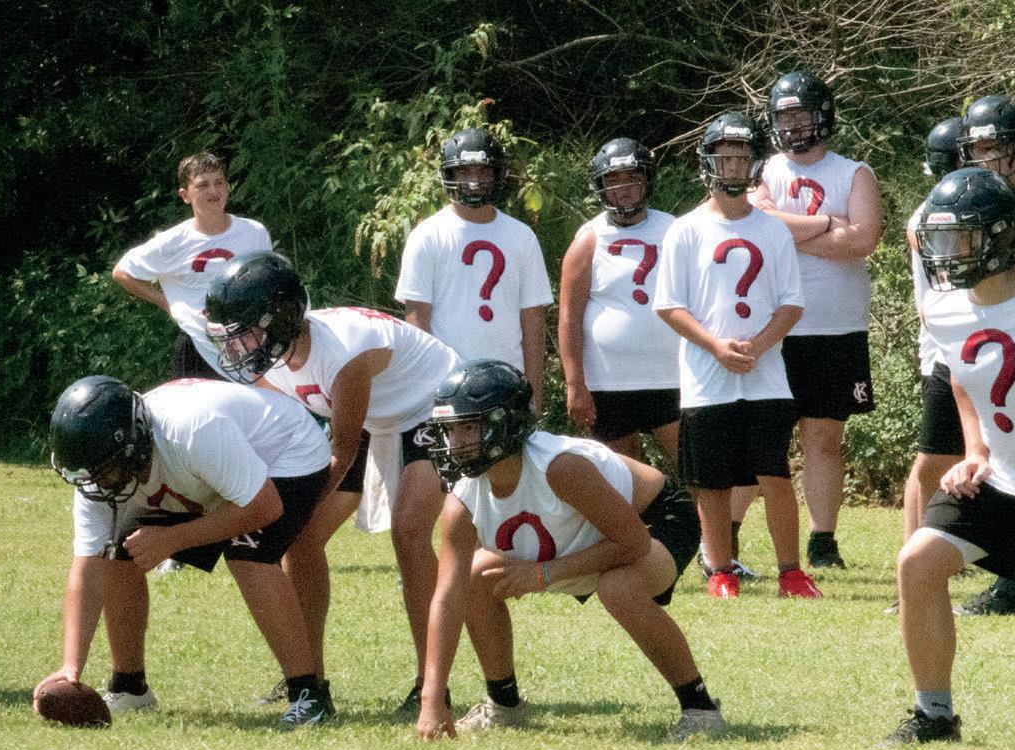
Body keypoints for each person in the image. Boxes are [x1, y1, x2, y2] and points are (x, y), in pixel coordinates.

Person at [204, 251, 460, 716]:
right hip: (372, 418)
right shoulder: (275, 358)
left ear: (279, 319)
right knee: (299, 540)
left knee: (409, 532)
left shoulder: (343, 352)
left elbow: (342, 450)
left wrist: (290, 505)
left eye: (246, 333)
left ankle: (431, 683)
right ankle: (309, 678)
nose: (239, 348)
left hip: (432, 405)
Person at [414, 359, 724, 741]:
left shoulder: (560, 468)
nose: (455, 443)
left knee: (619, 588)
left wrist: (543, 573)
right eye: (450, 429)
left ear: (505, 422)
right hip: (582, 537)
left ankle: (700, 709)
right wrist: (432, 698)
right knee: (476, 575)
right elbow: (446, 597)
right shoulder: (462, 502)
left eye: (468, 427)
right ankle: (504, 705)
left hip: (653, 520)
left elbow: (632, 542)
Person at [38, 374, 335, 726]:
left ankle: (309, 694)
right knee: (117, 551)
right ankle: (130, 686)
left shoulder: (192, 432)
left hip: (287, 453)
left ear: (135, 445)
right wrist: (70, 666)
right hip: (213, 471)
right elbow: (88, 567)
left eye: (108, 472)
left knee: (249, 554)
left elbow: (264, 507)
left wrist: (172, 539)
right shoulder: (100, 470)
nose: (99, 485)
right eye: (91, 475)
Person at [891, 167, 1015, 742]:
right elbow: (963, 377)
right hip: (1008, 477)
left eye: (962, 238)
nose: (947, 253)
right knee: (917, 564)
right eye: (942, 239)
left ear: (1002, 236)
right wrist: (976, 450)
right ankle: (934, 717)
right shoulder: (942, 308)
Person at [652, 112, 821, 600]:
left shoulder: (773, 230)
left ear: (755, 164)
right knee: (712, 482)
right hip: (707, 378)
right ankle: (720, 571)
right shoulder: (685, 230)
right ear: (708, 163)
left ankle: (792, 572)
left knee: (775, 474)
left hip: (766, 377)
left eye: (741, 158)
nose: (732, 167)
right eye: (724, 158)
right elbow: (669, 305)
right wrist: (715, 347)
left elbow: (791, 303)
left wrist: (759, 346)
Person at [744, 71, 883, 571]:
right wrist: (827, 224)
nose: (793, 126)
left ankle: (823, 542)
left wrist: (786, 229)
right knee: (760, 440)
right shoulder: (760, 170)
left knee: (824, 440)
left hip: (836, 326)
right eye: (784, 117)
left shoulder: (854, 172)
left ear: (822, 115)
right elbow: (755, 224)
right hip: (773, 326)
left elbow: (863, 240)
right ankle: (726, 544)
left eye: (801, 115)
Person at [949, 95, 1015, 615]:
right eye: (978, 147)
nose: (986, 157)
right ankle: (1011, 584)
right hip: (993, 344)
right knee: (1005, 461)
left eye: (996, 146)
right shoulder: (967, 196)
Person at [395, 127, 552, 411]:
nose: (474, 180)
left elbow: (533, 320)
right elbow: (417, 322)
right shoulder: (427, 235)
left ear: (497, 174)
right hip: (447, 384)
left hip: (508, 382)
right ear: (449, 174)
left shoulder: (522, 236)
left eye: (483, 171)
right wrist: (425, 395)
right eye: (464, 171)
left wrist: (534, 393)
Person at [559, 137, 680, 464]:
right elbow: (569, 317)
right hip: (609, 380)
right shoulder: (589, 239)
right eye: (613, 180)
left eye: (632, 178)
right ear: (600, 185)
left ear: (647, 180)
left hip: (671, 374)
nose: (624, 189)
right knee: (621, 476)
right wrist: (575, 384)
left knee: (696, 467)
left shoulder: (674, 229)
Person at [112, 151, 272, 381]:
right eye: (203, 185)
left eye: (219, 183)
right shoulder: (172, 243)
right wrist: (167, 303)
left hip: (252, 347)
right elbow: (122, 272)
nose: (213, 191)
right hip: (199, 350)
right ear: (185, 195)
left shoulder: (253, 232)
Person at [895, 117, 968, 614]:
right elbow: (934, 301)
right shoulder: (930, 216)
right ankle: (913, 560)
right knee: (933, 461)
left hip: (978, 345)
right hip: (946, 348)